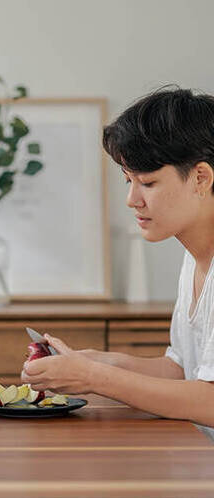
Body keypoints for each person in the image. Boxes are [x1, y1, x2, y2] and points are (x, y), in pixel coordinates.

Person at [22, 87, 214, 438]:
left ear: (201, 178)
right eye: (129, 181)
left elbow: (210, 401)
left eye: (148, 182)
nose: (131, 199)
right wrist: (93, 362)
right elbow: (179, 371)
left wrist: (94, 377)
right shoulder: (195, 259)